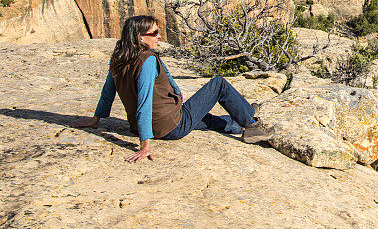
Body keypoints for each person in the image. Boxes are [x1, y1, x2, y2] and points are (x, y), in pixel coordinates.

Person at [70, 15, 258, 162]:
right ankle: (251, 126)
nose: (159, 36)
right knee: (219, 84)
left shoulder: (118, 57)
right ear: (139, 37)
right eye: (154, 33)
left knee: (210, 120)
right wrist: (145, 146)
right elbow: (144, 103)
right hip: (170, 125)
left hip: (150, 125)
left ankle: (245, 114)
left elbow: (107, 92)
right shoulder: (147, 60)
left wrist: (95, 120)